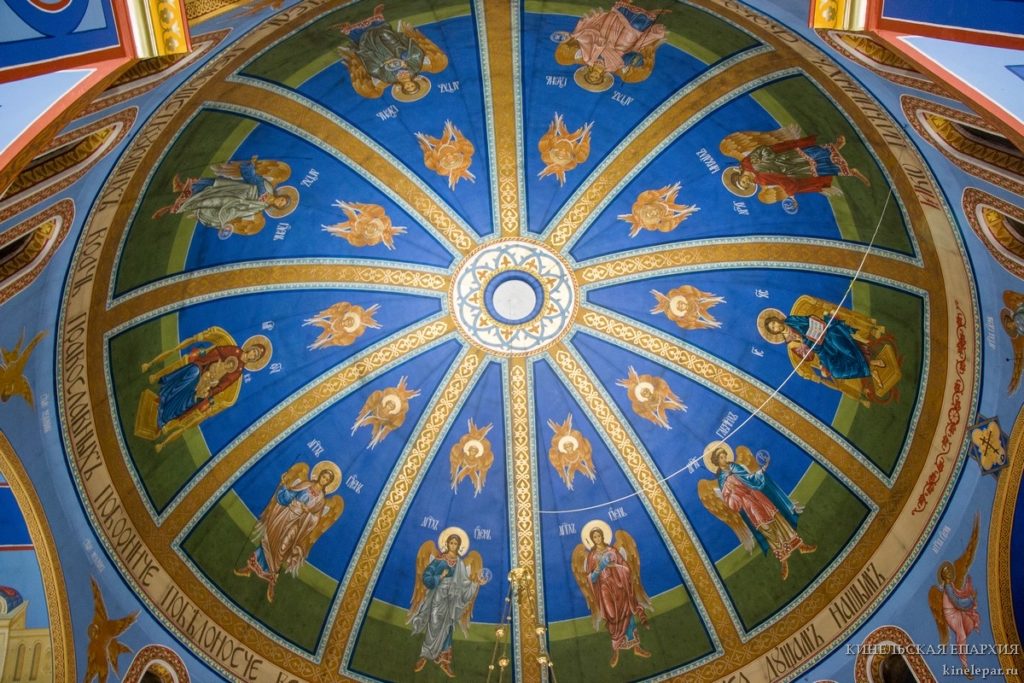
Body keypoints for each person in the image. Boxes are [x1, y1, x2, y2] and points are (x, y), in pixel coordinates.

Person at [235, 461, 342, 602]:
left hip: (297, 523)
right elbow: (290, 494)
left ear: (328, 483)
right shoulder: (306, 484)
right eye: (324, 477)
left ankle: (271, 581)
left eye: (327, 480)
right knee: (268, 539)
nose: (324, 480)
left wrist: (308, 512)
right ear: (320, 475)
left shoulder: (321, 500)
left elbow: (315, 520)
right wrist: (284, 485)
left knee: (282, 549)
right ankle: (249, 568)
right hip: (285, 515)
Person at [709, 445, 814, 580]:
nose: (725, 459)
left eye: (725, 455)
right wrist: (732, 494)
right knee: (766, 529)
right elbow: (729, 500)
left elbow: (750, 478)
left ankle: (800, 545)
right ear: (717, 461)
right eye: (722, 457)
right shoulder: (722, 479)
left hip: (757, 495)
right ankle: (783, 560)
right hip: (748, 504)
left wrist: (761, 471)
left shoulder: (735, 467)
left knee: (777, 518)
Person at [152, 157, 297, 236]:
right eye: (282, 199)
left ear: (277, 207)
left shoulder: (260, 207)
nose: (280, 202)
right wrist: (249, 166)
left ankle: (176, 208)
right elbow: (253, 178)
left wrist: (227, 218)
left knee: (208, 201)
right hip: (236, 189)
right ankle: (180, 187)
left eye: (281, 204)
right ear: (281, 195)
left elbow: (242, 211)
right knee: (210, 185)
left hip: (233, 200)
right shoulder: (267, 187)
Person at [720, 130, 869, 206]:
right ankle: (850, 172)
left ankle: (837, 146)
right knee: (818, 168)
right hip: (791, 170)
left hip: (786, 158)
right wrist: (791, 194)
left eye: (743, 181)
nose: (747, 182)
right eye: (746, 185)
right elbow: (780, 180)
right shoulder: (761, 181)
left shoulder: (748, 162)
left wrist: (770, 158)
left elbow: (763, 149)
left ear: (739, 176)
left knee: (812, 153)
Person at [336, 4, 447, 102]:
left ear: (403, 88)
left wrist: (383, 64)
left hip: (379, 56)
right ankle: (377, 17)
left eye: (408, 88)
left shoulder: (389, 79)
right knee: (387, 35)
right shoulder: (414, 70)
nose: (409, 85)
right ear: (415, 83)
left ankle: (348, 28)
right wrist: (405, 59)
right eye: (412, 86)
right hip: (396, 50)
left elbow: (374, 71)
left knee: (366, 43)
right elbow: (417, 55)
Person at [409, 533, 484, 677]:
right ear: (447, 544)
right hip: (439, 596)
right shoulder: (439, 560)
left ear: (459, 546)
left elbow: (465, 583)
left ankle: (444, 660)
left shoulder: (460, 564)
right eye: (451, 543)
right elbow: (426, 577)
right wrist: (440, 577)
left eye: (456, 544)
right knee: (434, 624)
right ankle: (425, 655)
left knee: (448, 626)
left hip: (452, 599)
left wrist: (476, 583)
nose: (453, 546)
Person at [152, 338, 268, 430]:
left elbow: (223, 385)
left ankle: (166, 415)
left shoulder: (239, 371)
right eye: (254, 351)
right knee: (193, 373)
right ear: (250, 348)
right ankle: (165, 396)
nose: (253, 354)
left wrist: (211, 391)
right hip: (204, 367)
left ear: (255, 360)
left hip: (210, 384)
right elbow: (218, 351)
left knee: (197, 397)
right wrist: (211, 363)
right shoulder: (235, 351)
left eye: (256, 356)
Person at [583, 526, 651, 667]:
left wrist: (614, 565)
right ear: (592, 539)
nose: (597, 538)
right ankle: (616, 651)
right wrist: (598, 569)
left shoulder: (612, 550)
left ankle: (636, 647)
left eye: (599, 535)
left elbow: (626, 568)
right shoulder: (591, 556)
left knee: (627, 614)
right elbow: (591, 579)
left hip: (620, 587)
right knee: (612, 617)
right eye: (594, 537)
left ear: (602, 536)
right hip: (604, 590)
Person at [759, 309, 877, 382]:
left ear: (776, 320)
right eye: (773, 328)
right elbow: (809, 357)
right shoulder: (790, 344)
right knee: (836, 372)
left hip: (825, 333)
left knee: (842, 347)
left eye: (774, 323)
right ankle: (867, 370)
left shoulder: (791, 320)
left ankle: (868, 364)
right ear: (774, 332)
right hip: (821, 350)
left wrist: (814, 322)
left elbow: (808, 319)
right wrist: (804, 345)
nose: (776, 326)